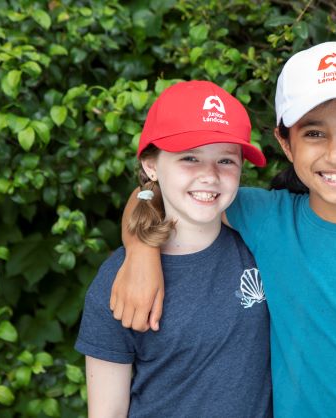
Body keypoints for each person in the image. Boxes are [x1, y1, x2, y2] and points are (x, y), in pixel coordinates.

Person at [112, 42, 336, 417]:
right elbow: (155, 192)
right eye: (314, 133)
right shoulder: (268, 218)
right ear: (285, 142)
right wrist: (141, 254)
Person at [75, 81, 272, 417]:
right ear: (151, 165)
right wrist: (140, 252)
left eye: (226, 160)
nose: (210, 175)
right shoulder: (118, 282)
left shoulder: (263, 239)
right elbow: (107, 412)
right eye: (190, 158)